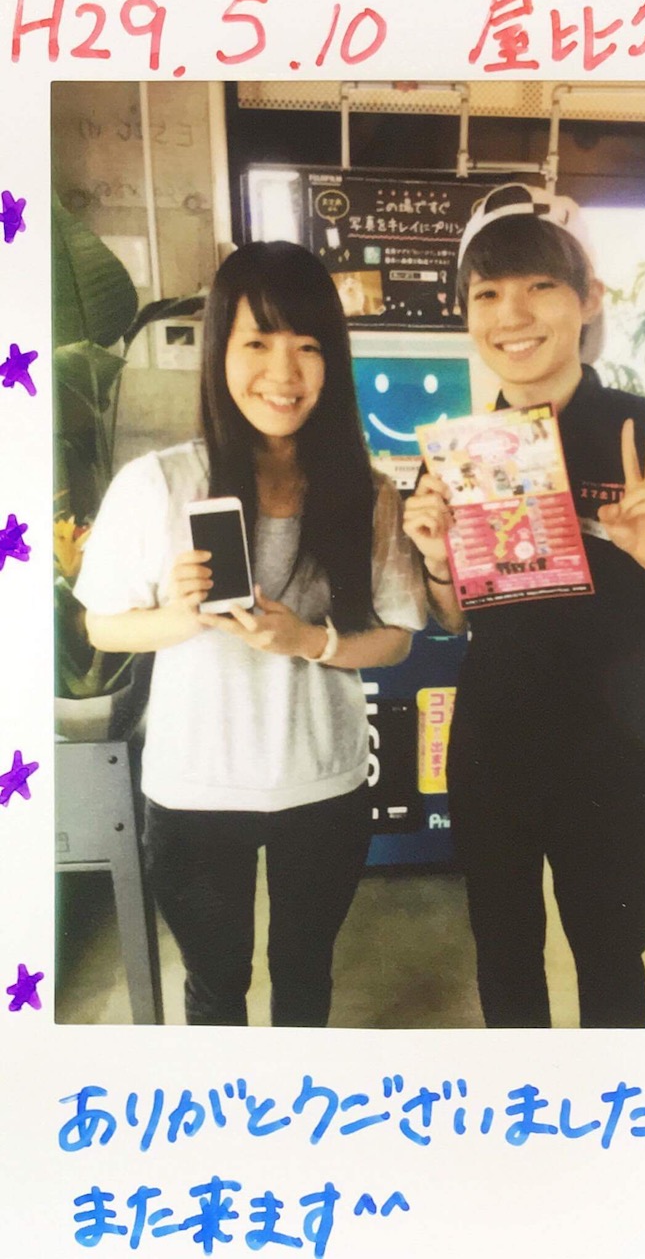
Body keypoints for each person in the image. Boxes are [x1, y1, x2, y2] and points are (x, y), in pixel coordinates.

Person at [403, 184, 645, 1029]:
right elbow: (453, 620)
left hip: (612, 762)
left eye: (540, 286)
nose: (512, 314)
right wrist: (438, 561)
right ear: (467, 314)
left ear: (589, 298)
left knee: (612, 968)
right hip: (493, 756)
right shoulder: (459, 454)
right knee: (505, 966)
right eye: (487, 293)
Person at [74, 240, 427, 1027]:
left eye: (308, 346)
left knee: (304, 976)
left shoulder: (368, 494)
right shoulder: (159, 484)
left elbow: (396, 637)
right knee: (215, 984)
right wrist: (182, 615)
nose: (283, 372)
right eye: (258, 343)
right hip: (194, 788)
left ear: (332, 360)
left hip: (325, 782)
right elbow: (101, 623)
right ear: (220, 352)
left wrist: (308, 641)